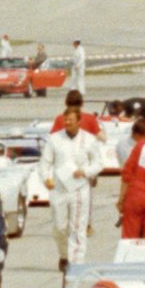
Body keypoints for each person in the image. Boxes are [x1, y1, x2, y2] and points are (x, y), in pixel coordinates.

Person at [42, 107, 107, 272]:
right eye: (66, 120)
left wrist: (85, 172)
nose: (68, 123)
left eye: (71, 120)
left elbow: (99, 163)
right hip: (59, 189)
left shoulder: (89, 140)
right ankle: (64, 255)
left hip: (79, 189)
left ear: (79, 121)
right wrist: (46, 179)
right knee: (59, 227)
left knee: (77, 227)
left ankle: (77, 264)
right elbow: (45, 162)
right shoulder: (54, 139)